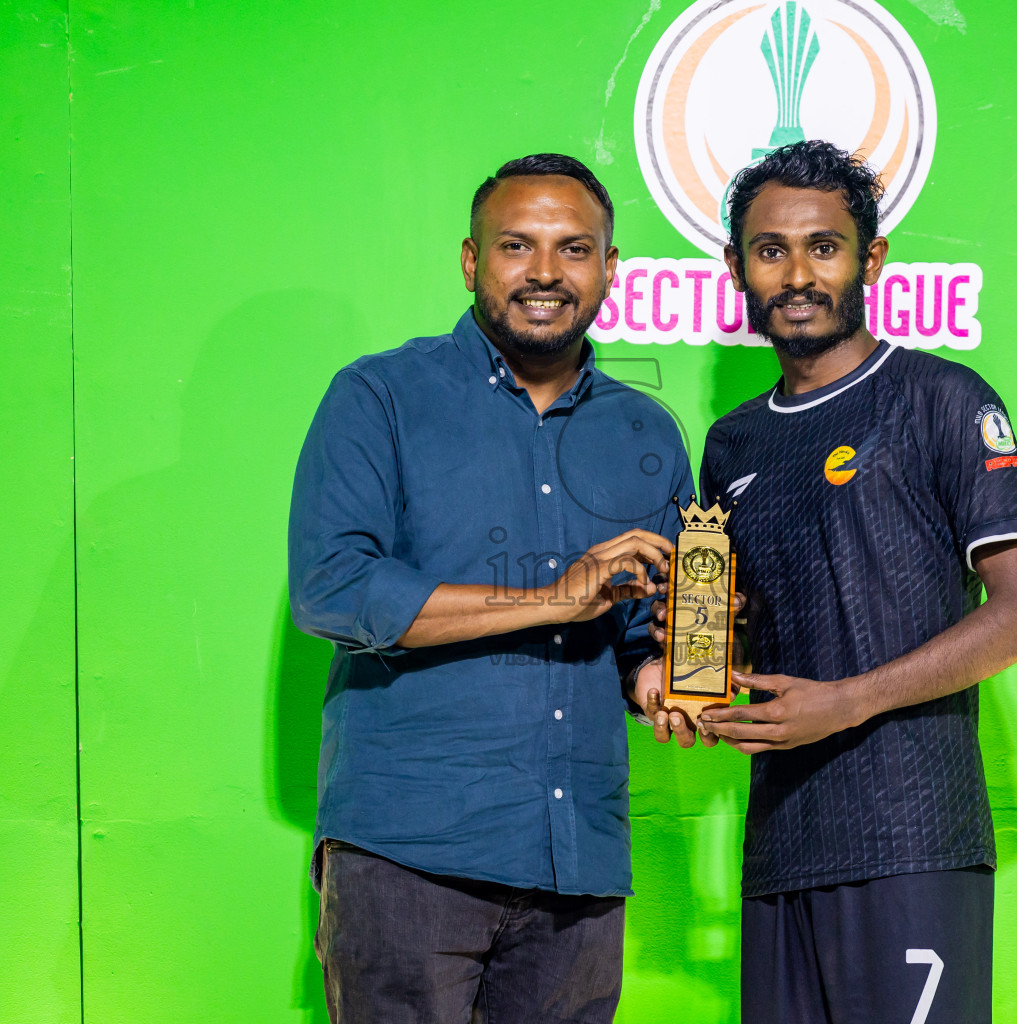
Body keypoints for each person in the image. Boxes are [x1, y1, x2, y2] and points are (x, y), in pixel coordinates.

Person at [288, 153, 699, 1024]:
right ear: (472, 262)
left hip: (577, 864)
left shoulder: (644, 431)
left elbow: (640, 636)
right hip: (410, 856)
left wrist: (661, 673)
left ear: (610, 270)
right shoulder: (380, 397)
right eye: (517, 245)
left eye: (574, 249)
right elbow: (332, 588)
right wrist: (554, 596)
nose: (546, 272)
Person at [654, 140, 1017, 1023]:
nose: (797, 273)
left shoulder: (941, 397)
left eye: (823, 247)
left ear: (869, 258)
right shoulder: (730, 444)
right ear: (736, 268)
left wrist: (848, 701)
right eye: (770, 251)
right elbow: (728, 633)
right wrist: (685, 675)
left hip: (911, 837)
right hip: (778, 849)